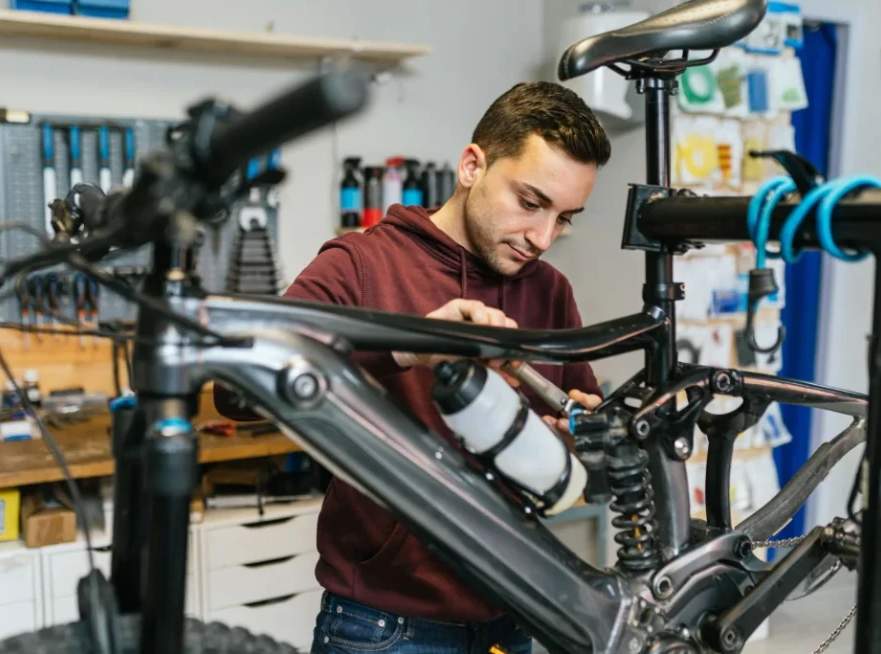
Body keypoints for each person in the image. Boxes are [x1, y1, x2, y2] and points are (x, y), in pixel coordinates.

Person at [215, 80, 611, 654]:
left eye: (565, 217)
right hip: (385, 628)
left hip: (515, 618)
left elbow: (579, 431)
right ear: (472, 165)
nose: (543, 237)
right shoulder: (361, 264)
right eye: (530, 203)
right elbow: (238, 387)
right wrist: (410, 345)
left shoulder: (550, 292)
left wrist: (582, 438)